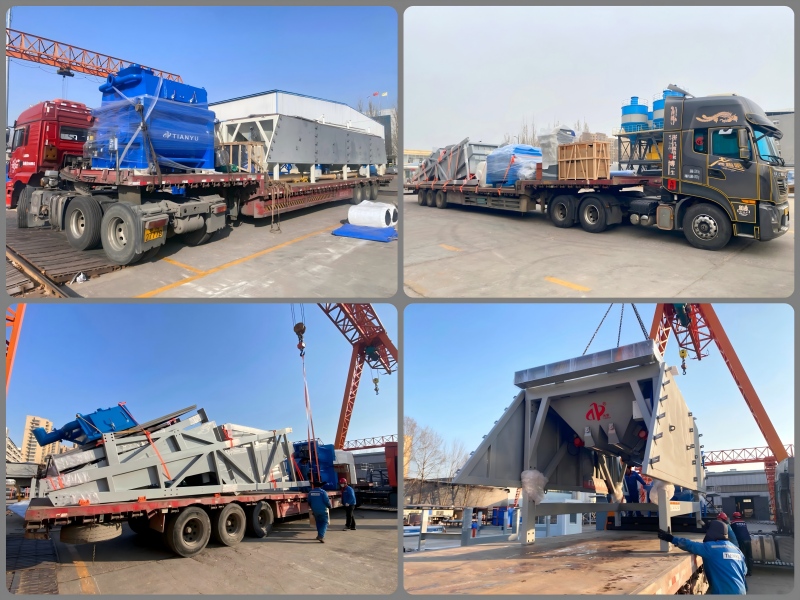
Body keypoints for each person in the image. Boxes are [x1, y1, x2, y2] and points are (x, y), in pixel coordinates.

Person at [658, 520, 747, 595]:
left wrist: (671, 538)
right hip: (742, 591)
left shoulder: (711, 548)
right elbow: (744, 571)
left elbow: (690, 545)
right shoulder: (737, 550)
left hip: (724, 593)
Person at [730, 512, 753, 576]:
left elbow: (731, 531)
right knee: (749, 556)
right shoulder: (743, 522)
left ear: (734, 516)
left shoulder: (733, 523)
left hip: (741, 540)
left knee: (743, 556)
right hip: (748, 539)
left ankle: (744, 571)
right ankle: (750, 571)